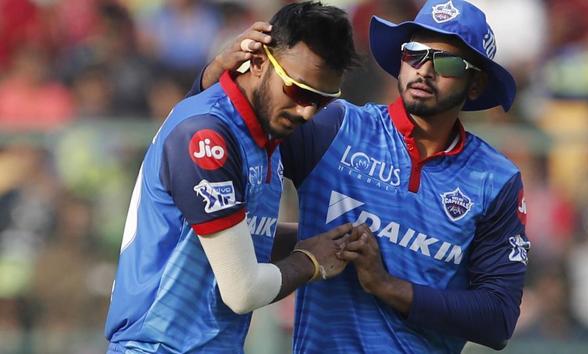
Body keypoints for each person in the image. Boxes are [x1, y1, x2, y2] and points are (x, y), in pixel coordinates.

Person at [193, 0, 531, 353]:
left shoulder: (496, 180)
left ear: (475, 84)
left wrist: (386, 285)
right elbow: (216, 141)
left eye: (445, 62)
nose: (424, 71)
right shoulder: (335, 127)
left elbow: (498, 319)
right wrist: (210, 78)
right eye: (414, 54)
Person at [104, 2, 360, 353]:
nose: (307, 111)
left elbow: (246, 234)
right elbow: (243, 291)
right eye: (298, 91)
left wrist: (327, 239)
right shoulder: (206, 137)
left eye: (321, 100)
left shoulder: (262, 132)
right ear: (257, 62)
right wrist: (312, 260)